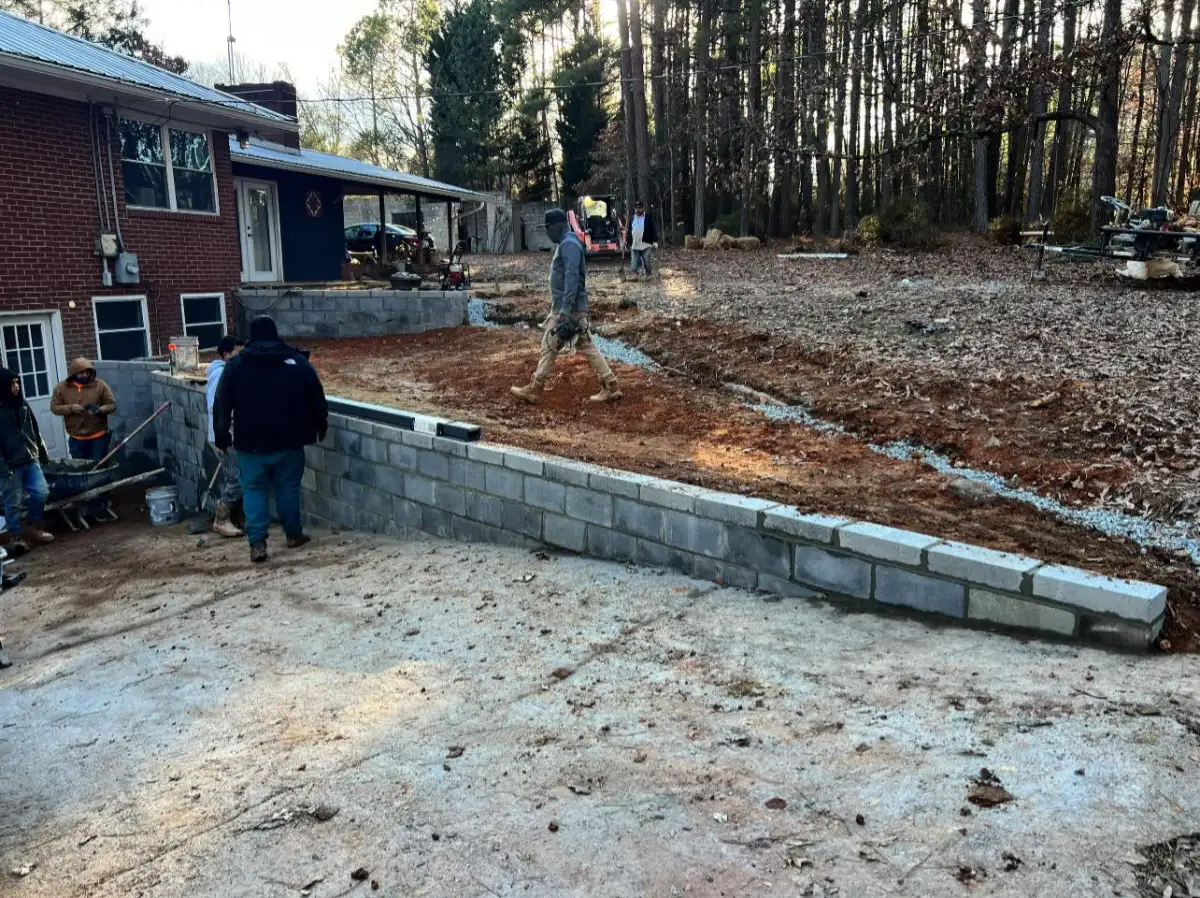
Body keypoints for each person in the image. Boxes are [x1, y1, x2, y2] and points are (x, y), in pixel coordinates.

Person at [213, 316, 328, 564]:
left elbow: (221, 404)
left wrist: (221, 436)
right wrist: (321, 425)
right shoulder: (296, 362)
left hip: (250, 443)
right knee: (288, 487)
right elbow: (316, 396)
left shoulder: (235, 366)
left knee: (254, 489)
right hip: (290, 440)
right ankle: (293, 534)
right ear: (275, 333)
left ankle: (257, 543)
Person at [510, 209, 623, 405]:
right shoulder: (567, 244)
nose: (547, 232)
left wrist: (564, 310)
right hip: (569, 307)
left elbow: (572, 279)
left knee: (551, 344)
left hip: (568, 309)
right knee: (580, 345)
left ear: (557, 226)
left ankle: (535, 389)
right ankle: (611, 385)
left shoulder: (569, 245)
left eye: (548, 228)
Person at [0, 370, 53, 552]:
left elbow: (34, 429)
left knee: (41, 492)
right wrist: (3, 467)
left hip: (30, 458)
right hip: (10, 465)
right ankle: (15, 537)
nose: (16, 386)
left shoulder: (22, 404)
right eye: (12, 383)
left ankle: (33, 525)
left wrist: (42, 453)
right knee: (12, 503)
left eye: (17, 382)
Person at [206, 336, 245, 538]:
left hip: (225, 435)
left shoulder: (227, 372)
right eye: (239, 352)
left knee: (238, 476)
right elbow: (217, 408)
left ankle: (233, 518)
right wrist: (223, 437)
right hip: (223, 437)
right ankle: (221, 520)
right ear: (227, 354)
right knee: (238, 478)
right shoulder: (220, 375)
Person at [50, 359, 116, 460]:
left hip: (98, 438)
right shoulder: (61, 388)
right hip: (77, 439)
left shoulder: (100, 385)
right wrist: (71, 408)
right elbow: (54, 407)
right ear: (74, 373)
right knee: (80, 468)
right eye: (81, 372)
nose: (85, 375)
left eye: (88, 372)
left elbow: (111, 404)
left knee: (99, 468)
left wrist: (101, 410)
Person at [626, 200, 659, 279]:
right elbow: (630, 230)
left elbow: (653, 229)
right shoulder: (632, 218)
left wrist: (655, 241)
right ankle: (636, 276)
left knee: (646, 260)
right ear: (635, 209)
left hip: (646, 244)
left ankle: (649, 273)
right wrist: (627, 241)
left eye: (640, 208)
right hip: (635, 244)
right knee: (634, 263)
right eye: (637, 208)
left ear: (643, 208)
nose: (638, 209)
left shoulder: (648, 217)